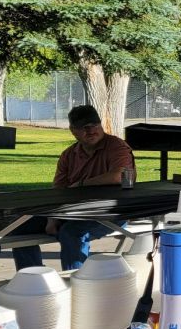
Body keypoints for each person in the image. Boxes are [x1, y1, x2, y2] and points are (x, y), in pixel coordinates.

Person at [10, 105, 136, 272]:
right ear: (73, 131)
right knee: (19, 228)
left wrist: (82, 184)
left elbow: (122, 176)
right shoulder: (68, 155)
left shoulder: (117, 146)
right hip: (72, 211)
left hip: (112, 212)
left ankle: (77, 284)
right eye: (84, 128)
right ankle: (35, 279)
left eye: (95, 125)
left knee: (72, 233)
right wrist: (52, 218)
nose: (91, 131)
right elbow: (58, 190)